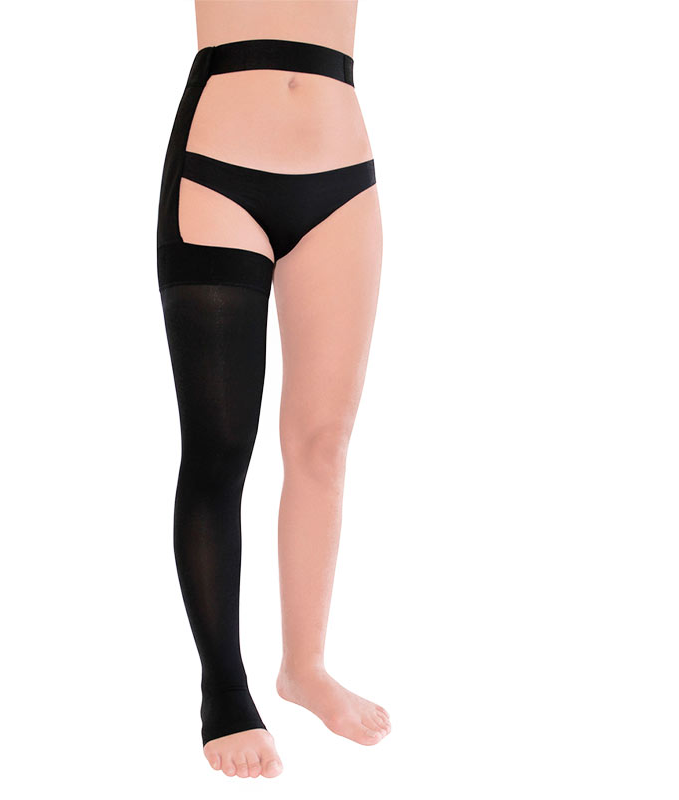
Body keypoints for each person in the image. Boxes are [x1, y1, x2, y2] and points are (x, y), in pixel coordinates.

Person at [157, 0, 390, 778]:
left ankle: (305, 669)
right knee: (220, 448)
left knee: (324, 443)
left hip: (341, 167)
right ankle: (224, 691)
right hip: (219, 165)